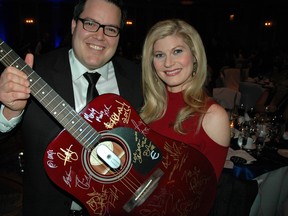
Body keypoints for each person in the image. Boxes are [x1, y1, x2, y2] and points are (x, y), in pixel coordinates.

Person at [0, 0, 142, 215]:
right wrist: (11, 110)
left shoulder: (138, 78)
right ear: (74, 25)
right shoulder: (34, 72)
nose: (100, 36)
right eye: (91, 23)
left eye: (111, 29)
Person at [139, 19, 230, 180]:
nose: (168, 63)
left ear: (195, 56)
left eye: (177, 51)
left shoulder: (212, 115)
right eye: (160, 55)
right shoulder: (149, 109)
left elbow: (202, 195)